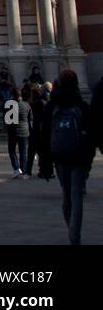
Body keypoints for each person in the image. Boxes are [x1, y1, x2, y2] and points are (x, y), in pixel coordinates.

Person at [38, 69, 95, 245]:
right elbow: (92, 133)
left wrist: (44, 162)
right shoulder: (82, 105)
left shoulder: (52, 106)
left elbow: (44, 134)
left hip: (60, 155)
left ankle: (71, 230)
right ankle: (74, 236)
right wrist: (89, 156)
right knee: (77, 195)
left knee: (67, 195)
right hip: (79, 157)